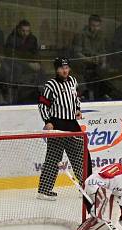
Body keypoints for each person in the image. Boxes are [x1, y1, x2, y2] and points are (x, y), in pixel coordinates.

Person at [37, 58, 91, 199]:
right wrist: (47, 121)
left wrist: (78, 109)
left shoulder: (73, 81)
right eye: (61, 68)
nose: (65, 70)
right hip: (57, 123)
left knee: (82, 154)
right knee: (54, 157)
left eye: (66, 67)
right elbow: (42, 104)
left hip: (72, 123)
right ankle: (44, 190)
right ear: (56, 70)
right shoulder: (50, 85)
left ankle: (86, 186)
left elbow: (75, 98)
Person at [71, 14, 116, 101]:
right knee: (87, 72)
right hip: (82, 62)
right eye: (93, 26)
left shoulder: (102, 36)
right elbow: (77, 54)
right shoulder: (80, 35)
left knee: (104, 69)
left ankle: (103, 94)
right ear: (89, 25)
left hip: (96, 61)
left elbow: (103, 52)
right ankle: (86, 94)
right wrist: (89, 60)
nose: (95, 28)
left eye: (97, 26)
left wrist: (103, 61)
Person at [5, 20, 41, 103]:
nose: (25, 33)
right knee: (18, 69)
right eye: (23, 31)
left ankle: (41, 96)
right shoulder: (12, 38)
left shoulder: (33, 39)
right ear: (18, 30)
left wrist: (38, 63)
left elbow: (35, 53)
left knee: (41, 71)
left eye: (27, 31)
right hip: (16, 64)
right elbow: (11, 55)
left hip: (30, 63)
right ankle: (14, 97)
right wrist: (28, 64)